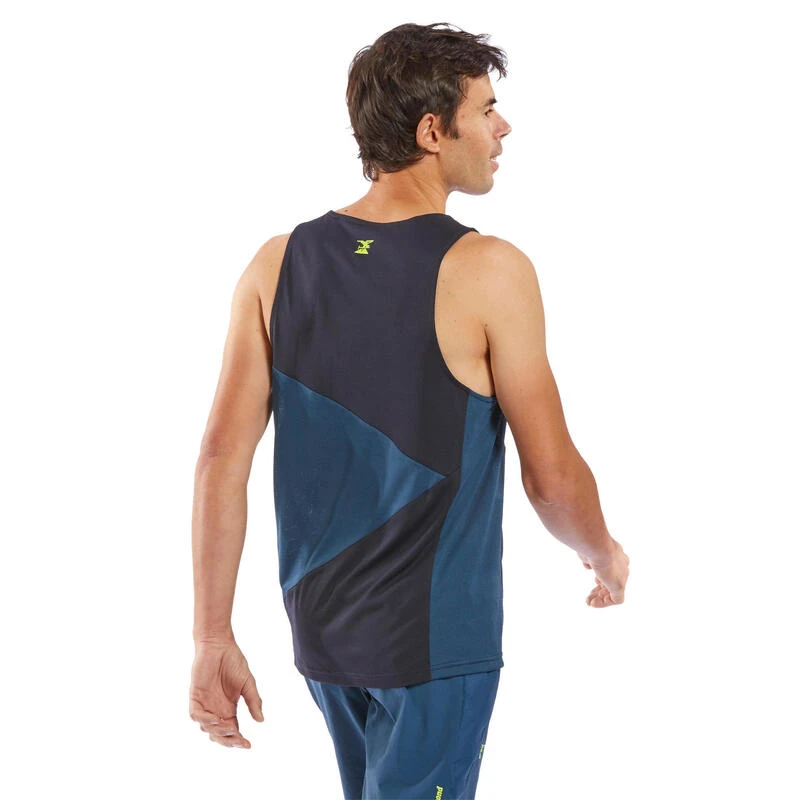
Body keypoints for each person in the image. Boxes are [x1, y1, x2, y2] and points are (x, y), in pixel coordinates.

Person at [189, 21, 630, 799]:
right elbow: (553, 479)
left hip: (322, 633)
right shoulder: (488, 269)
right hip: (433, 645)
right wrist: (603, 553)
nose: (502, 127)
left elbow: (221, 461)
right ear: (433, 131)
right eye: (485, 110)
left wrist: (211, 635)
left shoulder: (277, 262)